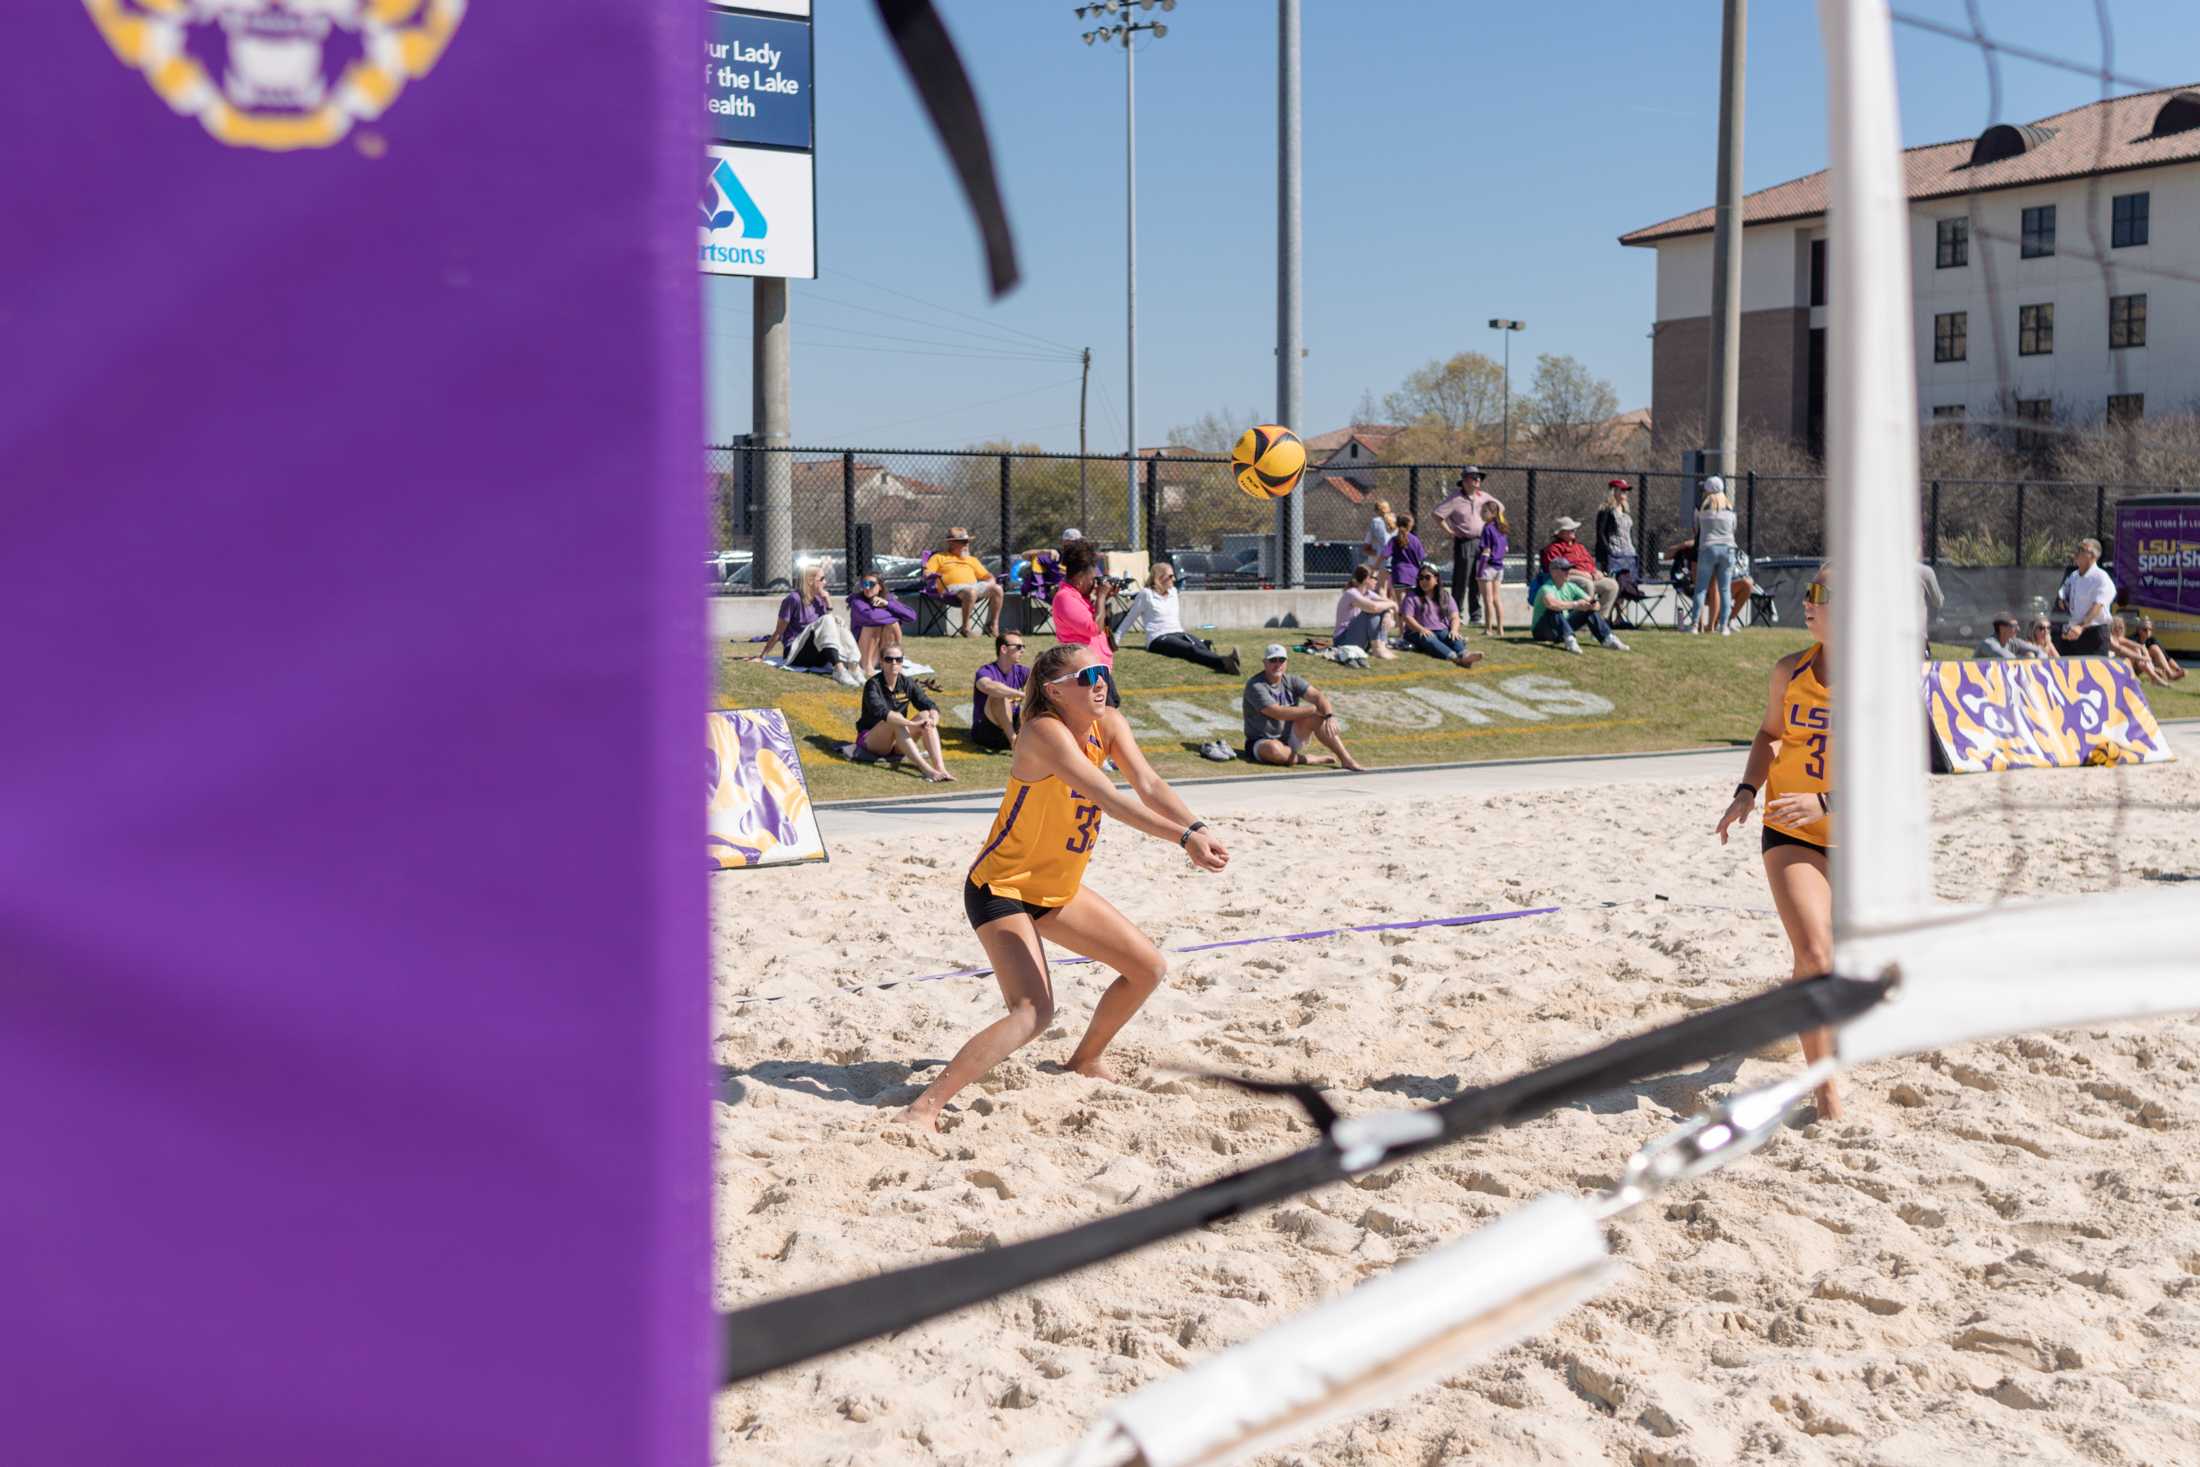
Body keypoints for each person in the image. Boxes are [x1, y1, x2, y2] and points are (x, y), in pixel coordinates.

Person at [896, 644, 1228, 1131]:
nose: (1100, 682)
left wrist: (1197, 825)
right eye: (1088, 675)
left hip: (1056, 889)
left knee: (1146, 968)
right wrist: (1182, 839)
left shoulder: (1109, 723)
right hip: (1001, 887)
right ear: (1054, 691)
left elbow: (1150, 784)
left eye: (1103, 672)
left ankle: (1084, 1061)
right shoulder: (1043, 732)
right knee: (1033, 1011)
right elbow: (1110, 800)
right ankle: (924, 1107)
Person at [1716, 563, 1840, 1120]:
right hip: (1792, 833)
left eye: (1823, 593)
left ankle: (1792, 1005)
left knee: (1821, 962)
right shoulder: (1789, 671)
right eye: (1810, 591)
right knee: (1815, 955)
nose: (1809, 601)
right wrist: (1747, 790)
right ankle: (1827, 1093)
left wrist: (1828, 801)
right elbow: (1769, 734)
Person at [1243, 644, 1365, 770]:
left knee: (1320, 719)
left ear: (1286, 662)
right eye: (1273, 660)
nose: (1278, 664)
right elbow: (1277, 712)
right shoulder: (1255, 686)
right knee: (1273, 750)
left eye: (1281, 660)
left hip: (1289, 736)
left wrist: (1329, 715)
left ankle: (1346, 759)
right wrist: (1312, 710)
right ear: (1265, 663)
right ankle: (1309, 759)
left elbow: (1318, 696)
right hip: (1262, 741)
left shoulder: (1292, 680)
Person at [1115, 560, 1239, 674]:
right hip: (1158, 638)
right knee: (1189, 649)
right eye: (1170, 576)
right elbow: (1130, 618)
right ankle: (1224, 662)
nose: (1173, 579)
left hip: (1178, 632)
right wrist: (1116, 639)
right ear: (1159, 578)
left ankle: (1227, 662)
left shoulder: (1173, 592)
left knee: (1200, 645)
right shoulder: (1146, 594)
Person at [752, 564, 860, 687]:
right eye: (822, 579)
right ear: (810, 581)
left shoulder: (820, 599)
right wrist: (762, 656)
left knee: (839, 622)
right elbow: (779, 632)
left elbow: (830, 630)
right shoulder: (793, 599)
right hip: (796, 653)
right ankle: (839, 670)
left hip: (817, 655)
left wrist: (828, 603)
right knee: (828, 619)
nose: (826, 582)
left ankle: (853, 667)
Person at [856, 649, 952, 782]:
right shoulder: (873, 684)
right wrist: (912, 724)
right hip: (873, 740)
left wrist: (933, 721)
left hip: (899, 739)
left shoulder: (907, 683)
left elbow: (929, 705)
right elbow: (882, 713)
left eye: (898, 660)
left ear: (902, 662)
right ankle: (926, 770)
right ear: (882, 663)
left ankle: (940, 768)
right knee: (895, 720)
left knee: (925, 715)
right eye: (889, 659)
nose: (894, 663)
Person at [1050, 540, 1120, 707]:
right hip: (1084, 670)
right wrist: (1101, 596)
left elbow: (1100, 622)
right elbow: (1094, 627)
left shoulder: (1080, 597)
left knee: (1111, 707)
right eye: (1092, 579)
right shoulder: (1065, 598)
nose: (1094, 583)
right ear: (1081, 578)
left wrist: (1105, 598)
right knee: (1103, 717)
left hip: (1097, 667)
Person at [1435, 467, 1503, 615]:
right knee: (1461, 578)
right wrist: (1449, 531)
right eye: (1474, 477)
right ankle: (1456, 612)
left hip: (1484, 542)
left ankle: (1475, 614)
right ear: (1465, 481)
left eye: (1479, 477)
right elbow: (1437, 515)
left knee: (1479, 578)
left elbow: (1500, 509)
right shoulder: (1455, 498)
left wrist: (1495, 530)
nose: (1478, 480)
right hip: (1464, 542)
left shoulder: (1484, 496)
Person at [1531, 560, 1629, 654]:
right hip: (1541, 631)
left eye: (1568, 569)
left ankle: (1608, 639)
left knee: (1589, 611)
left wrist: (1591, 605)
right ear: (1554, 572)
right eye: (1564, 569)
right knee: (1553, 610)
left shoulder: (1570, 586)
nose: (1568, 572)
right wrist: (1576, 604)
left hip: (1560, 628)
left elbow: (1597, 605)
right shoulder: (1546, 588)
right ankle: (1569, 640)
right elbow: (1552, 604)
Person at [1398, 564, 1486, 668]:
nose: (1423, 581)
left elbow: (1455, 617)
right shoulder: (1412, 596)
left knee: (1454, 637)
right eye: (1420, 578)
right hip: (1416, 632)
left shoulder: (1445, 595)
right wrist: (1421, 629)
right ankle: (1458, 659)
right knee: (1429, 639)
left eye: (1427, 577)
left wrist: (1454, 630)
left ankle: (1465, 654)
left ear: (1436, 578)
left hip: (1441, 630)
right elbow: (1407, 617)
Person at [922, 526, 1004, 637]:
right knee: (970, 591)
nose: (966, 545)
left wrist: (991, 581)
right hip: (951, 590)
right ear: (951, 543)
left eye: (968, 542)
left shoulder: (972, 560)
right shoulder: (939, 557)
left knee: (997, 589)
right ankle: (965, 628)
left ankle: (992, 625)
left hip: (974, 587)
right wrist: (930, 575)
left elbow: (987, 575)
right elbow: (926, 573)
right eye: (963, 542)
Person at [1541, 516, 1620, 620]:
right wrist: (1584, 574)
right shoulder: (1553, 549)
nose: (1574, 531)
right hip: (1567, 580)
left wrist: (1596, 572)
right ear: (1561, 532)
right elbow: (1556, 570)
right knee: (1587, 584)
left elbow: (1590, 564)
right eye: (1570, 529)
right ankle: (1582, 620)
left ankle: (1600, 620)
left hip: (1590, 577)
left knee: (1611, 585)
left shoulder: (1579, 547)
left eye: (1574, 529)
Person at [848, 570, 915, 678]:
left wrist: (887, 604)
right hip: (862, 653)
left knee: (892, 624)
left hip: (883, 653)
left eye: (871, 584)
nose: (867, 587)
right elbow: (872, 617)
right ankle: (867, 666)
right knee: (873, 626)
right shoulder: (857, 601)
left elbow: (912, 616)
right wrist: (896, 614)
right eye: (864, 584)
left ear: (880, 587)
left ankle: (890, 661)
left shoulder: (888, 599)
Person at [1693, 482, 1739, 636]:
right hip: (1728, 549)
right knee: (1725, 589)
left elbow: (1696, 529)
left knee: (1701, 588)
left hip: (1707, 549)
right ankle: (1724, 626)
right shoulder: (1731, 511)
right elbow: (1733, 528)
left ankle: (1694, 626)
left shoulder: (1701, 510)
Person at [970, 632, 1030, 752]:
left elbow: (1042, 679)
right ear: (1003, 649)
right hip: (987, 732)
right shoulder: (986, 671)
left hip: (1014, 726)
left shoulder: (1021, 671)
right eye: (1018, 647)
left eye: (1024, 647)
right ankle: (1014, 741)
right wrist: (1019, 694)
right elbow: (987, 686)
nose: (1022, 650)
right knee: (998, 696)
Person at [2056, 539, 2117, 656]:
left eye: (2081, 550)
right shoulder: (2074, 576)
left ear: (2093, 556)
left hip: (2093, 635)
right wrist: (2061, 599)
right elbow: (2064, 591)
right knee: (2068, 671)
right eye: (2077, 549)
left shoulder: (2101, 577)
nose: (2076, 552)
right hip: (2073, 632)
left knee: (2094, 673)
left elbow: (2097, 606)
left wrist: (2081, 627)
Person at [1334, 564, 1399, 659]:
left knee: (1381, 609)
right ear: (1367, 579)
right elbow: (1374, 607)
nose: (1377, 582)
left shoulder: (1369, 593)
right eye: (1375, 578)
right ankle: (1377, 649)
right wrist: (1392, 605)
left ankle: (1382, 646)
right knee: (1372, 610)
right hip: (1343, 640)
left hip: (1357, 637)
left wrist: (1387, 614)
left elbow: (1386, 603)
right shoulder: (1351, 593)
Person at [1593, 479, 1639, 581]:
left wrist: (1634, 547)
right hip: (1613, 555)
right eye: (1622, 490)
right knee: (1614, 584)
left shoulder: (1625, 511)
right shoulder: (1606, 510)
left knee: (1627, 586)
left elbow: (1629, 533)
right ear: (1614, 491)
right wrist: (1609, 551)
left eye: (1626, 490)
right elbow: (1600, 533)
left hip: (1628, 553)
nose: (1625, 493)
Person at [2108, 615, 2172, 686]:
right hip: (2112, 667)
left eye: (2150, 629)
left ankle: (2161, 675)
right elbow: (2121, 650)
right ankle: (2154, 677)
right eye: (2119, 627)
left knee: (2147, 648)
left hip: (2134, 665)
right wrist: (2142, 658)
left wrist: (2148, 661)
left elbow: (2141, 646)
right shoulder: (2110, 638)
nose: (2122, 629)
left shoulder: (2119, 638)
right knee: (2133, 653)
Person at [1478, 509, 1511, 638]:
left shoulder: (1487, 528)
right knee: (1497, 599)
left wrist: (1480, 570)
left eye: (1484, 511)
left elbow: (1486, 550)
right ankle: (1500, 629)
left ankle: (1488, 629)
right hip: (1499, 567)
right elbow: (1506, 548)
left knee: (1488, 600)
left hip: (1487, 566)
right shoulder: (1502, 528)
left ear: (1492, 513)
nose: (1481, 513)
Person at [2134, 614, 2187, 682]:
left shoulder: (2152, 640)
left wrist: (2178, 669)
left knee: (2154, 648)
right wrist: (2154, 669)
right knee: (2145, 649)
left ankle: (2169, 674)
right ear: (2139, 630)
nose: (2148, 632)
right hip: (2135, 666)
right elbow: (2139, 661)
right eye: (2145, 629)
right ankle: (2165, 674)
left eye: (2150, 629)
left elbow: (2166, 657)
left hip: (2147, 664)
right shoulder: (2134, 639)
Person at [1387, 511, 1426, 603]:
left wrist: (1375, 567)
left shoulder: (1393, 540)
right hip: (1413, 575)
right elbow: (1421, 557)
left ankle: (1400, 618)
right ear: (1410, 525)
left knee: (1401, 605)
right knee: (1411, 605)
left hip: (1399, 575)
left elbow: (1384, 555)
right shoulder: (1415, 540)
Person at [1363, 499, 1399, 594]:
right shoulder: (1396, 522)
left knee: (1381, 588)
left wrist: (1377, 552)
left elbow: (1366, 548)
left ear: (1376, 511)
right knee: (1393, 590)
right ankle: (1394, 608)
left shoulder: (1375, 522)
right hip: (1395, 559)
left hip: (1380, 563)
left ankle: (1387, 608)